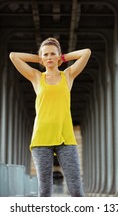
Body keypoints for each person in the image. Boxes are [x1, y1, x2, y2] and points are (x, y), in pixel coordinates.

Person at [9, 37, 91, 197]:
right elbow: (13, 56)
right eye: (45, 54)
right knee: (45, 191)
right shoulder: (36, 77)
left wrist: (63, 57)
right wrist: (39, 58)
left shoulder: (68, 75)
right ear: (41, 57)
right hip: (41, 139)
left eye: (53, 54)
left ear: (59, 56)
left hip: (65, 138)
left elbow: (86, 53)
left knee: (76, 190)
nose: (49, 57)